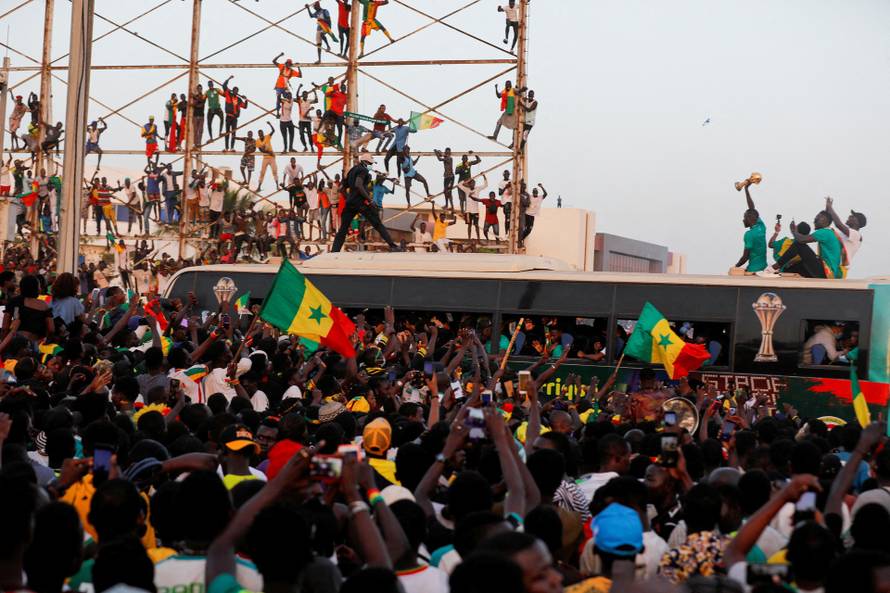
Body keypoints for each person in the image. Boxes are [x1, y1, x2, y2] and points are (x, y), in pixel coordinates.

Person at [331, 154, 400, 252]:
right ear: (364, 162)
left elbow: (342, 188)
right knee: (377, 224)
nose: (371, 165)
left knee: (343, 229)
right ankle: (393, 246)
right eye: (370, 163)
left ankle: (334, 251)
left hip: (350, 204)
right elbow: (358, 185)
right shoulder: (363, 170)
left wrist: (349, 199)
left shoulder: (352, 170)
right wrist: (370, 200)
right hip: (361, 203)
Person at [759, 210, 844, 279]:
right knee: (798, 264)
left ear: (824, 220)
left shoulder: (825, 232)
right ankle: (780, 272)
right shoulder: (829, 232)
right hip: (828, 273)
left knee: (798, 245)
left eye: (817, 218)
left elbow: (801, 240)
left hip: (826, 272)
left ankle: (771, 269)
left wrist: (793, 230)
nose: (814, 220)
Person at [734, 183, 767, 273]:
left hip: (753, 270)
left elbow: (745, 257)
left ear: (749, 218)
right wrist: (746, 189)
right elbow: (752, 208)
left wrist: (735, 267)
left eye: (744, 217)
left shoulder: (749, 235)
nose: (743, 220)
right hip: (763, 268)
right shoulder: (762, 227)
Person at [825, 196, 865, 270]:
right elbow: (825, 223)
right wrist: (827, 208)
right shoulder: (844, 234)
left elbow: (838, 224)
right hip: (831, 263)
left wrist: (830, 208)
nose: (849, 216)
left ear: (857, 222)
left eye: (852, 216)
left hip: (839, 268)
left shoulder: (857, 235)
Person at [457, 174, 488, 241]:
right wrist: (467, 180)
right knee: (469, 225)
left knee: (476, 226)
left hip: (476, 211)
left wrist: (484, 176)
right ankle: (469, 239)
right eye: (471, 183)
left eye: (474, 183)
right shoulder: (466, 189)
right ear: (469, 184)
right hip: (468, 211)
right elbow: (459, 184)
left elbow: (485, 185)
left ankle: (478, 239)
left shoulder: (477, 188)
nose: (473, 184)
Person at [223, 76, 248, 152]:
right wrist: (228, 79)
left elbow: (245, 106)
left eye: (237, 91)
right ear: (232, 91)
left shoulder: (239, 100)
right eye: (234, 90)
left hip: (234, 118)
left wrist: (246, 99)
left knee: (233, 133)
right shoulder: (228, 95)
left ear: (237, 92)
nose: (235, 92)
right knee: (227, 133)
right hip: (228, 116)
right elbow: (224, 86)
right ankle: (226, 147)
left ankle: (232, 147)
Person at [255, 122, 279, 193]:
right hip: (266, 157)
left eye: (261, 133)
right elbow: (261, 150)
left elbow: (273, 131)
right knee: (262, 172)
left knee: (274, 171)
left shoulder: (267, 137)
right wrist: (269, 152)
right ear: (258, 134)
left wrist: (270, 124)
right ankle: (259, 187)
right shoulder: (258, 141)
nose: (261, 134)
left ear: (263, 133)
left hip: (272, 157)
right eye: (259, 133)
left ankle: (277, 186)